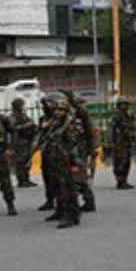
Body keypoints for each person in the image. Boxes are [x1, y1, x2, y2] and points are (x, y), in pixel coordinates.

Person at [47, 95, 87, 229]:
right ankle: (61, 211)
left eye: (61, 110)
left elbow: (74, 145)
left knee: (68, 189)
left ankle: (70, 215)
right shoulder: (55, 123)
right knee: (58, 188)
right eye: (57, 110)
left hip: (67, 161)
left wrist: (75, 164)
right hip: (56, 160)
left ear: (66, 111)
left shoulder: (70, 126)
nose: (58, 112)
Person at [63, 91, 97, 212]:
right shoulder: (63, 111)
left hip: (79, 147)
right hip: (67, 147)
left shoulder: (79, 111)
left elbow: (89, 130)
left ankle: (88, 200)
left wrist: (92, 148)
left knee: (79, 175)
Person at [31, 97, 59, 212]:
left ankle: (61, 201)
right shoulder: (43, 118)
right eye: (43, 106)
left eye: (47, 105)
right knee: (47, 176)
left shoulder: (59, 118)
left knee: (58, 177)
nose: (45, 108)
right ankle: (50, 200)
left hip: (57, 151)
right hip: (46, 151)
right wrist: (36, 142)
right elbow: (39, 133)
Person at [107, 96, 136, 189]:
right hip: (118, 143)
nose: (124, 106)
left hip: (127, 143)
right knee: (119, 162)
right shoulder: (115, 117)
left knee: (127, 162)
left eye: (126, 104)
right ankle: (120, 181)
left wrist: (134, 138)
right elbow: (110, 130)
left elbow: (133, 128)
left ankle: (125, 180)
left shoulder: (129, 116)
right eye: (122, 104)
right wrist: (111, 142)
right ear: (119, 105)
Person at [10, 97, 37, 188]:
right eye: (22, 105)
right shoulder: (13, 116)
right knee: (21, 162)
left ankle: (27, 179)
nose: (23, 106)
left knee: (27, 161)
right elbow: (13, 128)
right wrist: (27, 125)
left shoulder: (23, 114)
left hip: (27, 140)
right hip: (19, 141)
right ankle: (21, 180)